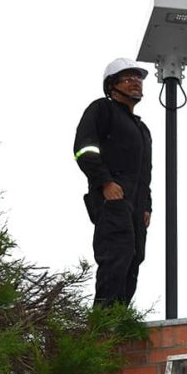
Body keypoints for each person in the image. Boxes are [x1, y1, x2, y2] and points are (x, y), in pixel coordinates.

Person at [74, 57, 152, 307]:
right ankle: (103, 319)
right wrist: (105, 182)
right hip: (112, 201)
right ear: (112, 86)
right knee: (118, 253)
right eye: (128, 78)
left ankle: (120, 318)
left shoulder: (141, 129)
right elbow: (84, 149)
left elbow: (144, 173)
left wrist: (146, 205)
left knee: (134, 257)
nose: (135, 83)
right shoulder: (102, 110)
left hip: (136, 207)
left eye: (138, 78)